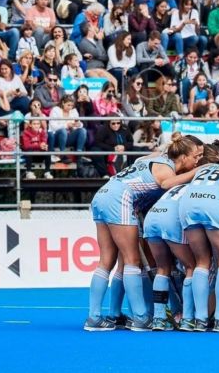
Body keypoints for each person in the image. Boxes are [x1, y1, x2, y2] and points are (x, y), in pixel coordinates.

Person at [85, 134, 203, 331]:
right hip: (120, 199)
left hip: (103, 194)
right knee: (132, 260)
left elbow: (140, 160)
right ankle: (141, 318)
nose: (197, 161)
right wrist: (198, 171)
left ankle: (97, 317)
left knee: (108, 260)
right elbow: (166, 184)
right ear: (183, 157)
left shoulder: (157, 157)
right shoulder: (167, 169)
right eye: (195, 157)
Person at [176, 142, 219, 332]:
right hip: (214, 201)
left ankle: (200, 319)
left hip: (188, 202)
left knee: (201, 262)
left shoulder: (202, 168)